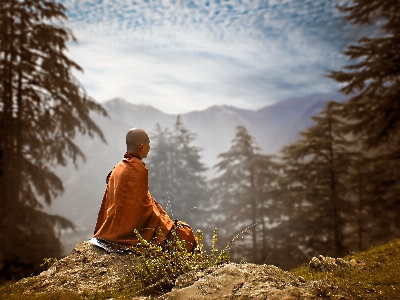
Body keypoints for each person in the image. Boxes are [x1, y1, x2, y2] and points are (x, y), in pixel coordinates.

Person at [93, 128, 197, 252]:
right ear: (142, 146)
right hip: (127, 233)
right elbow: (143, 208)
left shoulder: (120, 166)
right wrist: (164, 223)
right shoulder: (136, 169)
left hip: (111, 228)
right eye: (148, 144)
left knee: (179, 230)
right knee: (185, 236)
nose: (149, 147)